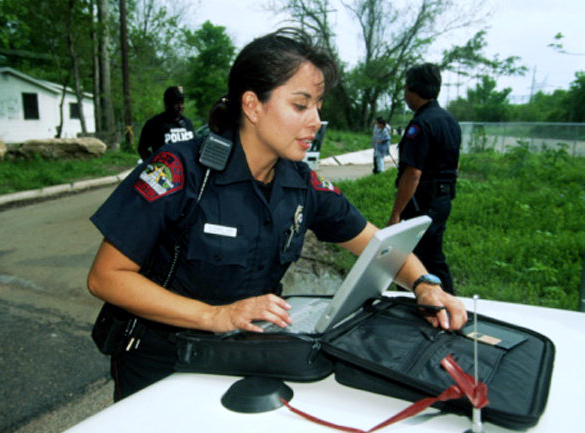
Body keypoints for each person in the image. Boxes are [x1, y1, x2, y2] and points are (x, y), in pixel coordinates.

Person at [87, 30, 467, 401]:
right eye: (300, 105)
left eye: (318, 106)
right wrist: (215, 316)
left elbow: (379, 245)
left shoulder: (301, 182)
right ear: (252, 105)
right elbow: (106, 277)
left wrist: (425, 284)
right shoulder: (181, 170)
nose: (316, 120)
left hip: (247, 357)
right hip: (160, 367)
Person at [387, 63, 461, 294]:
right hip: (442, 200)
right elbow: (455, 164)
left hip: (423, 204)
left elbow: (413, 173)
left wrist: (396, 214)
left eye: (406, 88)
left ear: (413, 89)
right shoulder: (450, 121)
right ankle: (447, 302)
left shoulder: (421, 124)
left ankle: (414, 305)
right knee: (433, 256)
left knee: (409, 258)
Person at [137, 86, 195, 160]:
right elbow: (142, 149)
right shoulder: (154, 123)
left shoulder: (187, 123)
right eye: (176, 103)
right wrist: (153, 163)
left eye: (182, 103)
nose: (180, 107)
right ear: (167, 104)